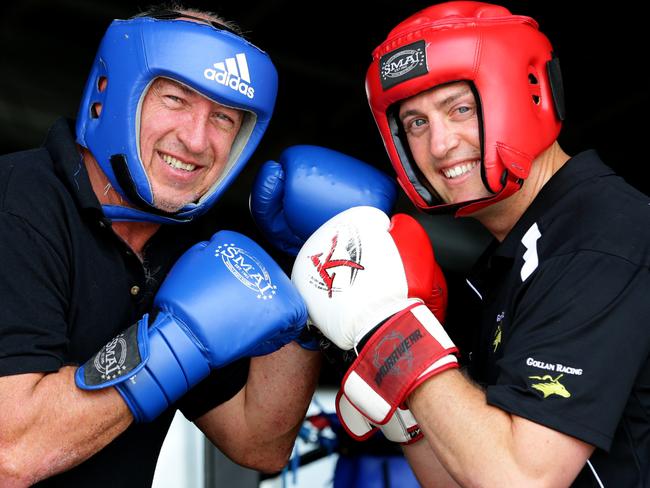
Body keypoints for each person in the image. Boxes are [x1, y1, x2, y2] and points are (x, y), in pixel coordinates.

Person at [287, 1, 650, 486]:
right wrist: (406, 408)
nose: (439, 145)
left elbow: (522, 479)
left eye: (459, 109)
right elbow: (460, 479)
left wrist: (393, 331)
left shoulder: (600, 236)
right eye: (416, 123)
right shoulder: (508, 260)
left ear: (528, 97)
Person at [0, 5, 325, 487]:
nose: (196, 140)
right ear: (108, 94)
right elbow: (12, 452)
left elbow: (260, 441)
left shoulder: (186, 255)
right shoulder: (17, 204)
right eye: (175, 99)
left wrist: (310, 279)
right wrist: (175, 345)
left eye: (222, 118)